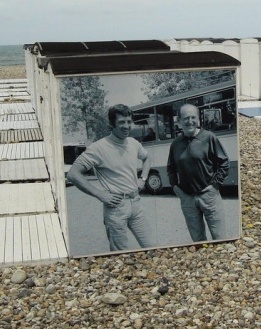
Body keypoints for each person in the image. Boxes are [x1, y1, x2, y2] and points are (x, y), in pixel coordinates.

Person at [67, 104, 154, 251]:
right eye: (121, 122)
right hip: (116, 208)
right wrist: (100, 194)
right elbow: (73, 174)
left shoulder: (133, 143)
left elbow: (147, 158)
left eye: (129, 121)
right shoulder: (98, 148)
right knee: (121, 255)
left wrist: (143, 179)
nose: (126, 126)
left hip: (136, 203)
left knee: (153, 248)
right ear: (111, 125)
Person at [167, 103, 230, 242]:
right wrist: (175, 188)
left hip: (209, 196)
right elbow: (171, 168)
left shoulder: (209, 137)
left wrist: (215, 186)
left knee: (219, 238)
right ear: (179, 121)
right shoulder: (176, 143)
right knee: (198, 241)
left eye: (193, 117)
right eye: (186, 118)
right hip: (188, 199)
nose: (190, 121)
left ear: (198, 119)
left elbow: (224, 163)